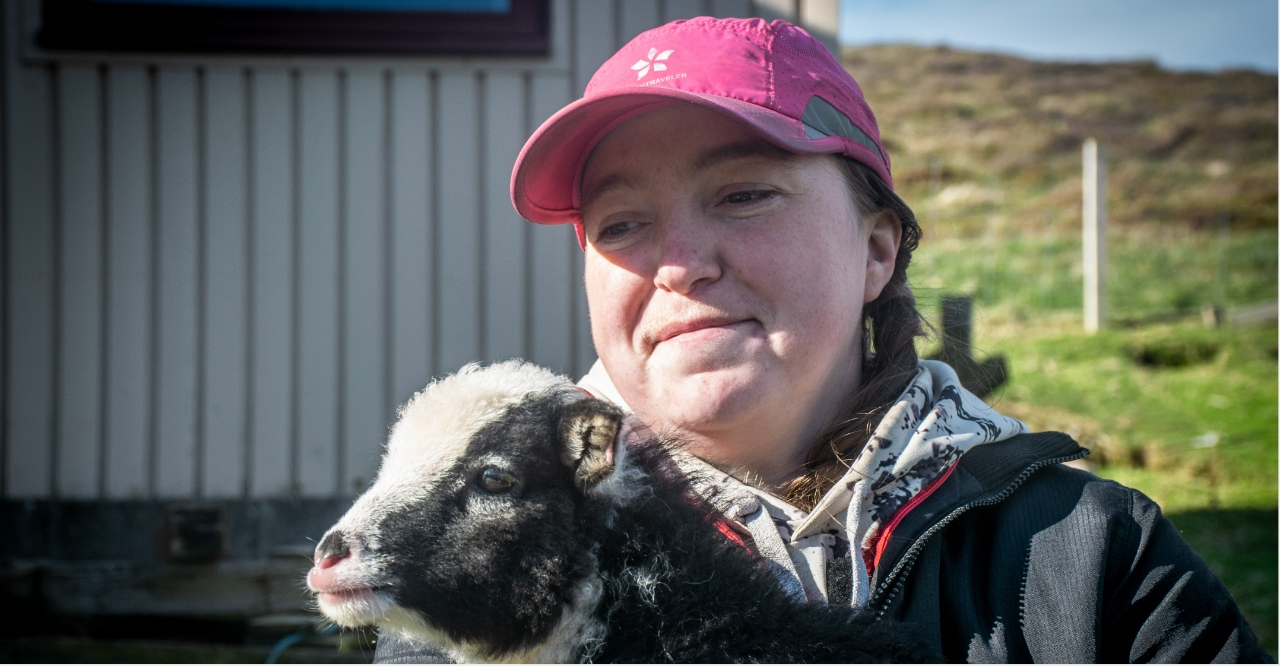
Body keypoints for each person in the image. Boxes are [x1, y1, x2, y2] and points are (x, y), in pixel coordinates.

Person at [375, 17, 1270, 663]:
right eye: (620, 224)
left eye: (744, 195)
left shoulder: (1096, 558)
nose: (678, 266)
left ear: (877, 249)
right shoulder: (484, 586)